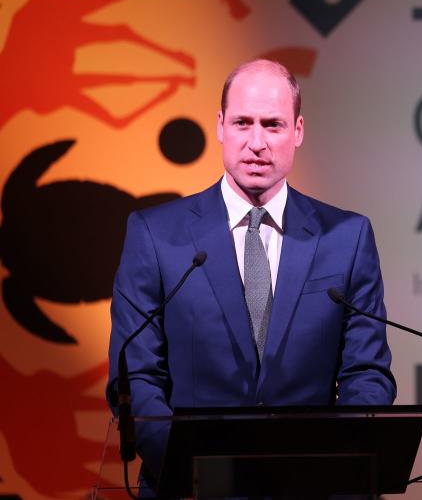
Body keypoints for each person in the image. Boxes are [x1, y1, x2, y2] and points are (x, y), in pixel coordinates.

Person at [106, 59, 396, 484]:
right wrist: (196, 469)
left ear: (297, 131)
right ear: (221, 126)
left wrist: (336, 459)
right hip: (191, 487)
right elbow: (135, 377)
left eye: (273, 125)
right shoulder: (156, 235)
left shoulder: (346, 238)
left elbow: (366, 373)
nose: (256, 142)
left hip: (312, 488)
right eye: (243, 123)